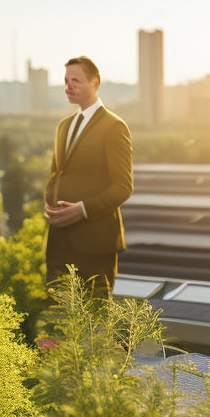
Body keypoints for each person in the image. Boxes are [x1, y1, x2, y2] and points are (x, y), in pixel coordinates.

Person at [44, 55, 133, 296]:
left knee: (94, 323)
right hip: (59, 243)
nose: (68, 86)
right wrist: (49, 201)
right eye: (65, 80)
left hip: (95, 246)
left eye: (76, 80)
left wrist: (81, 210)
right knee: (57, 323)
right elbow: (56, 174)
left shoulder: (114, 126)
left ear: (95, 82)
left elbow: (123, 187)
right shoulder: (63, 126)